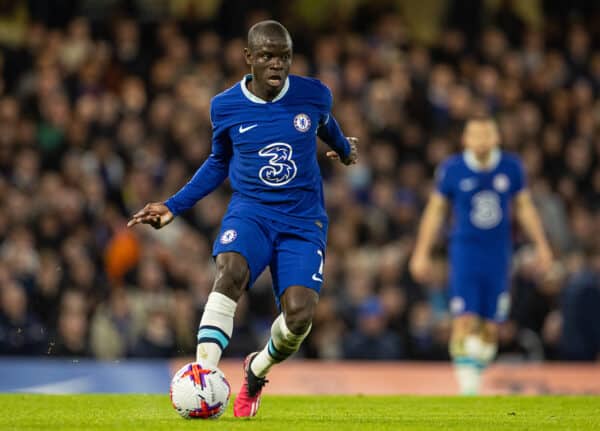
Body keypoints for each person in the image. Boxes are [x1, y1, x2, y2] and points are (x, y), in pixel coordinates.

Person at [128, 20, 358, 417]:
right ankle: (205, 376)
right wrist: (174, 205)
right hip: (252, 212)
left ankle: (256, 370)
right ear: (248, 57)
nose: (276, 65)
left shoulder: (314, 94)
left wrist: (346, 150)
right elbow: (219, 162)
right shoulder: (225, 106)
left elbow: (327, 126)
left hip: (303, 222)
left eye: (284, 57)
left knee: (300, 316)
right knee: (230, 270)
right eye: (267, 56)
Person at [409, 114, 552, 395]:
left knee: (489, 328)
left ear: (496, 137)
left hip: (499, 253)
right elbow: (435, 211)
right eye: (475, 135)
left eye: (486, 134)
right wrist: (421, 252)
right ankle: (468, 390)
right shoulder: (453, 169)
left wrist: (542, 246)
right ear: (466, 139)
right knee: (464, 319)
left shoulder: (511, 168)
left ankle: (476, 366)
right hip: (465, 251)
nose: (481, 141)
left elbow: (524, 208)